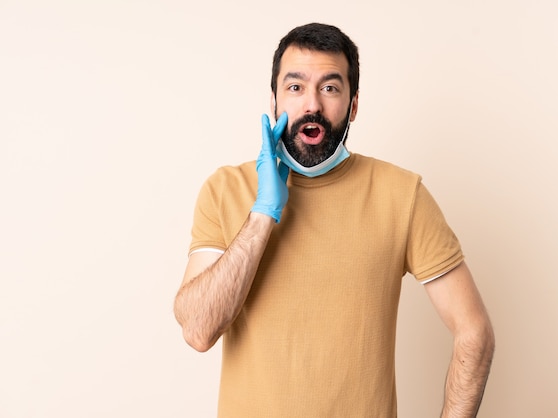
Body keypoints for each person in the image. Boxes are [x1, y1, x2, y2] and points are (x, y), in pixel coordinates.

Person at [174, 22, 495, 418]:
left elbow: (474, 332)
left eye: (330, 88)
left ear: (353, 104)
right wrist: (262, 213)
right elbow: (198, 330)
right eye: (295, 87)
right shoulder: (225, 189)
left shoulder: (402, 195)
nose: (312, 105)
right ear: (273, 100)